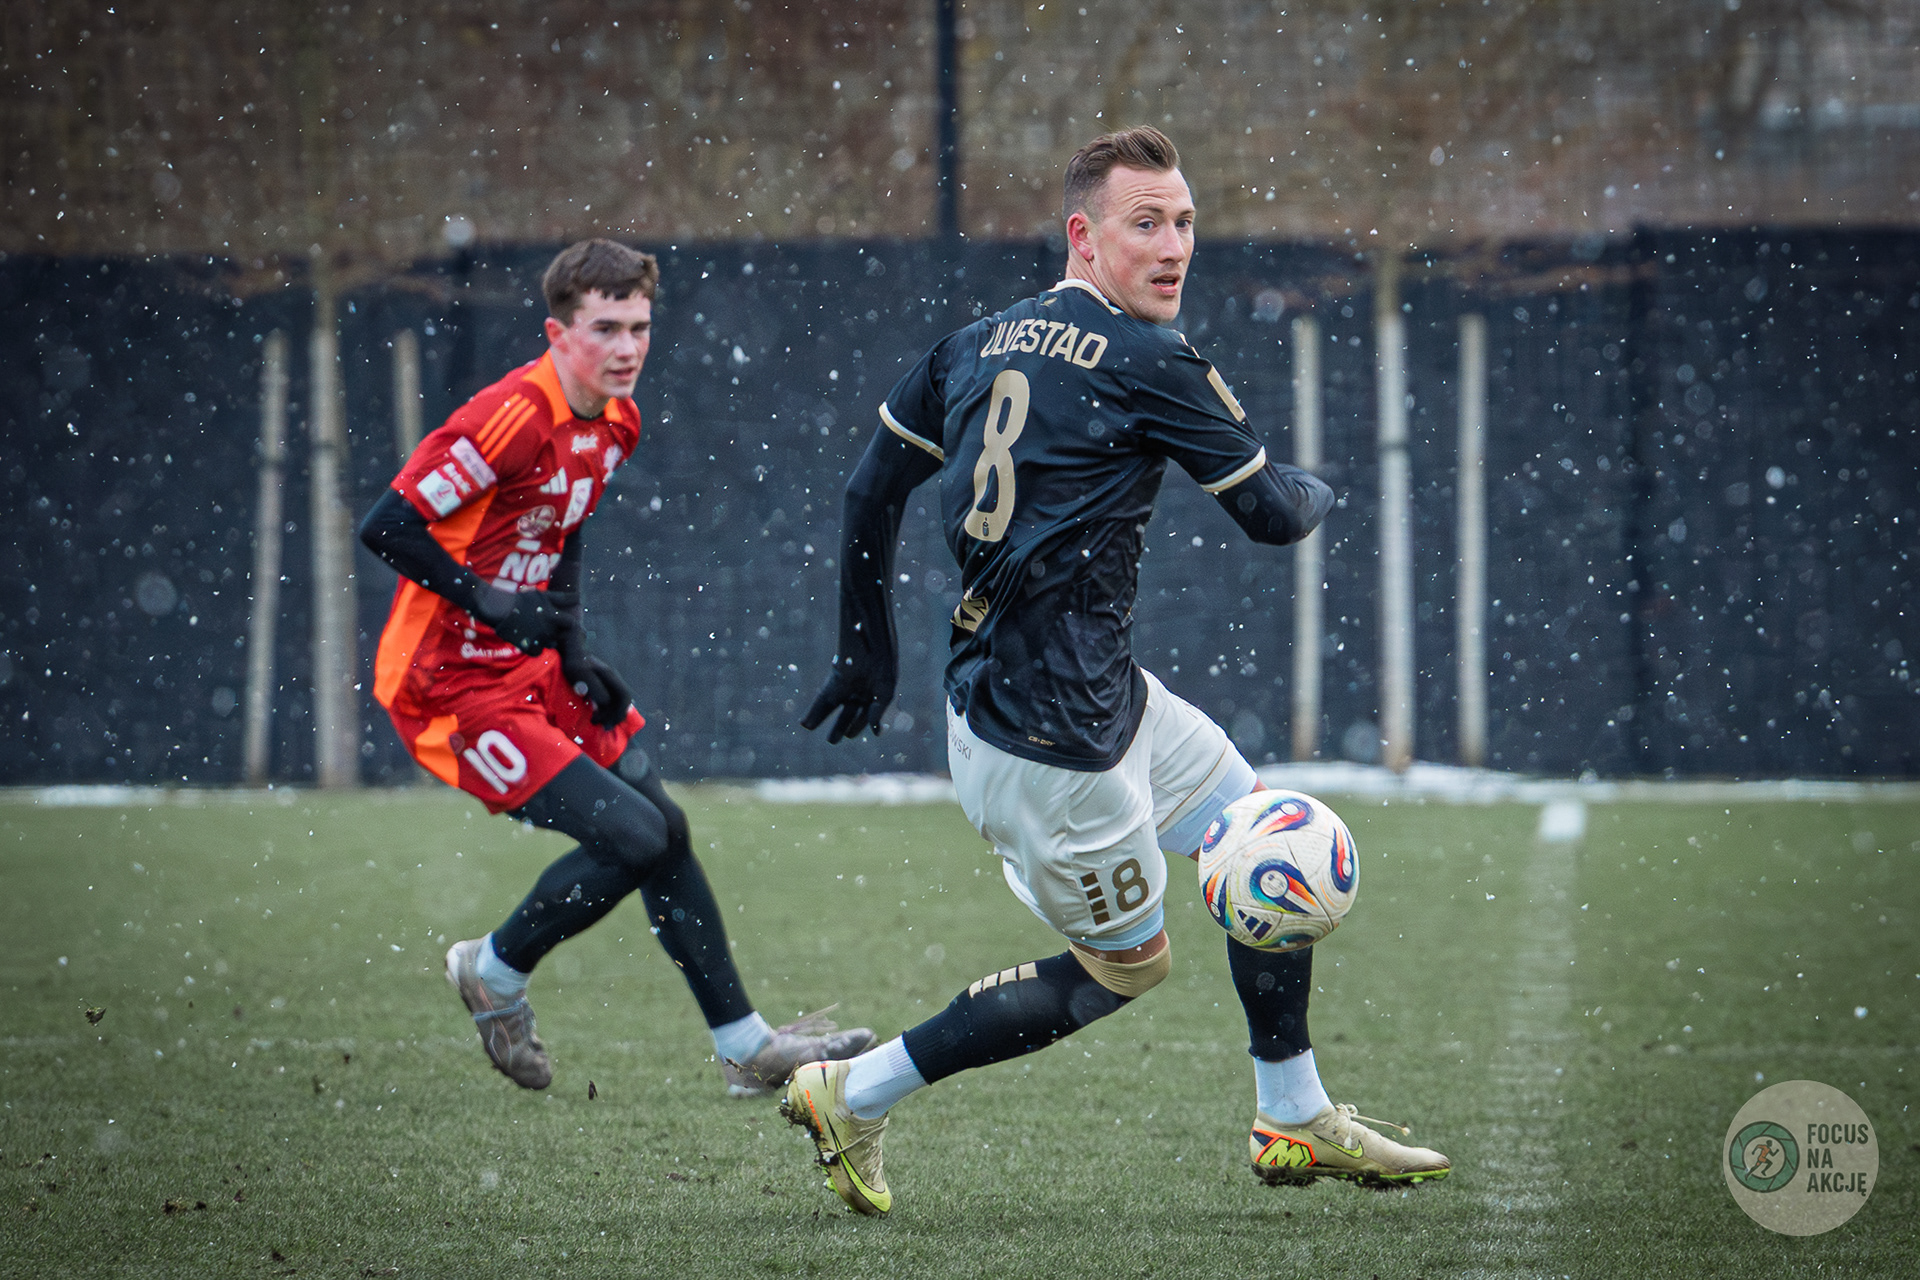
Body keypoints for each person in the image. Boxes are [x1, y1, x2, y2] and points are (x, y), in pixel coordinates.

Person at [785, 129, 1449, 1214]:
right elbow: (1275, 515)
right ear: (1083, 236)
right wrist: (1329, 483)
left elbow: (869, 489)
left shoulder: (976, 342)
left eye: (1185, 222)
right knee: (1127, 970)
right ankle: (854, 1090)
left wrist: (869, 648)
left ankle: (1292, 1113)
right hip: (1054, 749)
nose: (1174, 245)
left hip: (1081, 699)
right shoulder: (1147, 358)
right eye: (1147, 222)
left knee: (1259, 827)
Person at [359, 238, 872, 1097]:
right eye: (605, 328)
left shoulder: (617, 419)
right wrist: (486, 600)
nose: (627, 347)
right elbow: (387, 524)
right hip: (449, 685)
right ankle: (494, 970)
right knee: (632, 837)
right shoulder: (512, 416)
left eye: (639, 326)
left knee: (664, 827)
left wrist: (572, 652)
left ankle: (746, 1048)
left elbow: (562, 530)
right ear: (557, 334)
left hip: (531, 666)